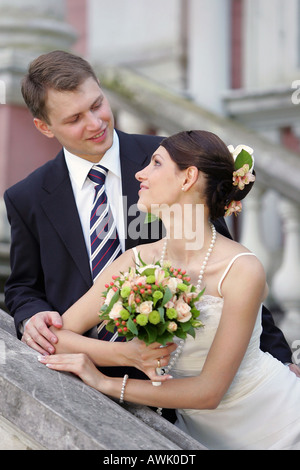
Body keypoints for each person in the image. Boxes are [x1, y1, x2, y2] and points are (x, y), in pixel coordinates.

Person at [3, 50, 295, 374]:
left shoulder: (167, 162)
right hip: (81, 368)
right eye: (74, 119)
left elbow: (222, 260)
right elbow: (22, 286)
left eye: (97, 104)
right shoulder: (26, 197)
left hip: (174, 375)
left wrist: (280, 356)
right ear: (44, 127)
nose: (95, 122)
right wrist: (32, 316)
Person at [38, 130, 300, 450]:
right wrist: (124, 354)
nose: (140, 173)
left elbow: (209, 391)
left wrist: (105, 382)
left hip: (284, 423)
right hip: (203, 438)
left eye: (156, 163)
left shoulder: (242, 269)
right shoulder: (134, 262)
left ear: (188, 177)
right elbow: (59, 336)